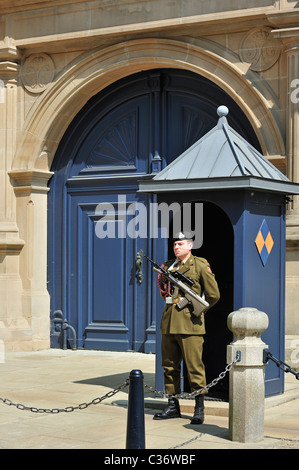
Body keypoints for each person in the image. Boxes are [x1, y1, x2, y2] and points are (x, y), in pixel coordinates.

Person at [153, 232, 220, 424]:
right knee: (169, 366)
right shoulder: (167, 266)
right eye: (175, 244)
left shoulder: (199, 264)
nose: (176, 247)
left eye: (180, 244)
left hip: (191, 324)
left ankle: (199, 409)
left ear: (190, 246)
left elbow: (213, 294)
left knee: (194, 367)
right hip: (169, 323)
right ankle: (173, 406)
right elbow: (165, 293)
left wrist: (198, 309)